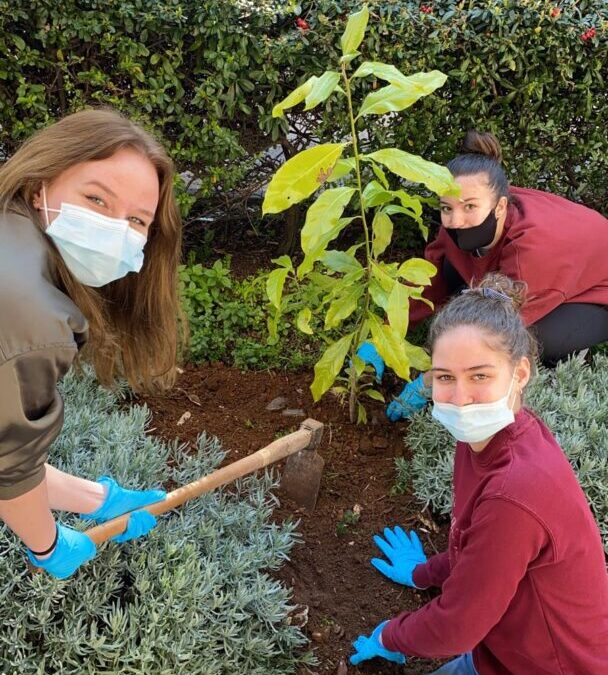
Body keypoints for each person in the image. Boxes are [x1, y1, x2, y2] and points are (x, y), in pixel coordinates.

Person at [350, 273, 608, 674]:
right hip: (506, 649)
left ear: (519, 374)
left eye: (480, 376)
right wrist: (425, 574)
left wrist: (391, 635)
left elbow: (456, 628)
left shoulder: (515, 492)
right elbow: (479, 545)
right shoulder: (489, 439)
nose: (460, 398)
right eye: (445, 378)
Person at [0, 108, 185, 579]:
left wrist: (98, 499)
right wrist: (49, 545)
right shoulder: (32, 318)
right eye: (98, 200)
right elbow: (8, 468)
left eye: (138, 221)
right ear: (43, 185)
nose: (115, 229)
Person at [358, 130, 608, 421]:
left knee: (535, 338)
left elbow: (496, 330)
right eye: (446, 208)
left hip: (594, 294)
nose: (456, 220)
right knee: (452, 264)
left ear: (500, 206)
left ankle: (562, 359)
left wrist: (431, 382)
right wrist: (385, 333)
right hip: (547, 268)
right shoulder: (461, 217)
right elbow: (432, 273)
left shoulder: (531, 250)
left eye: (469, 207)